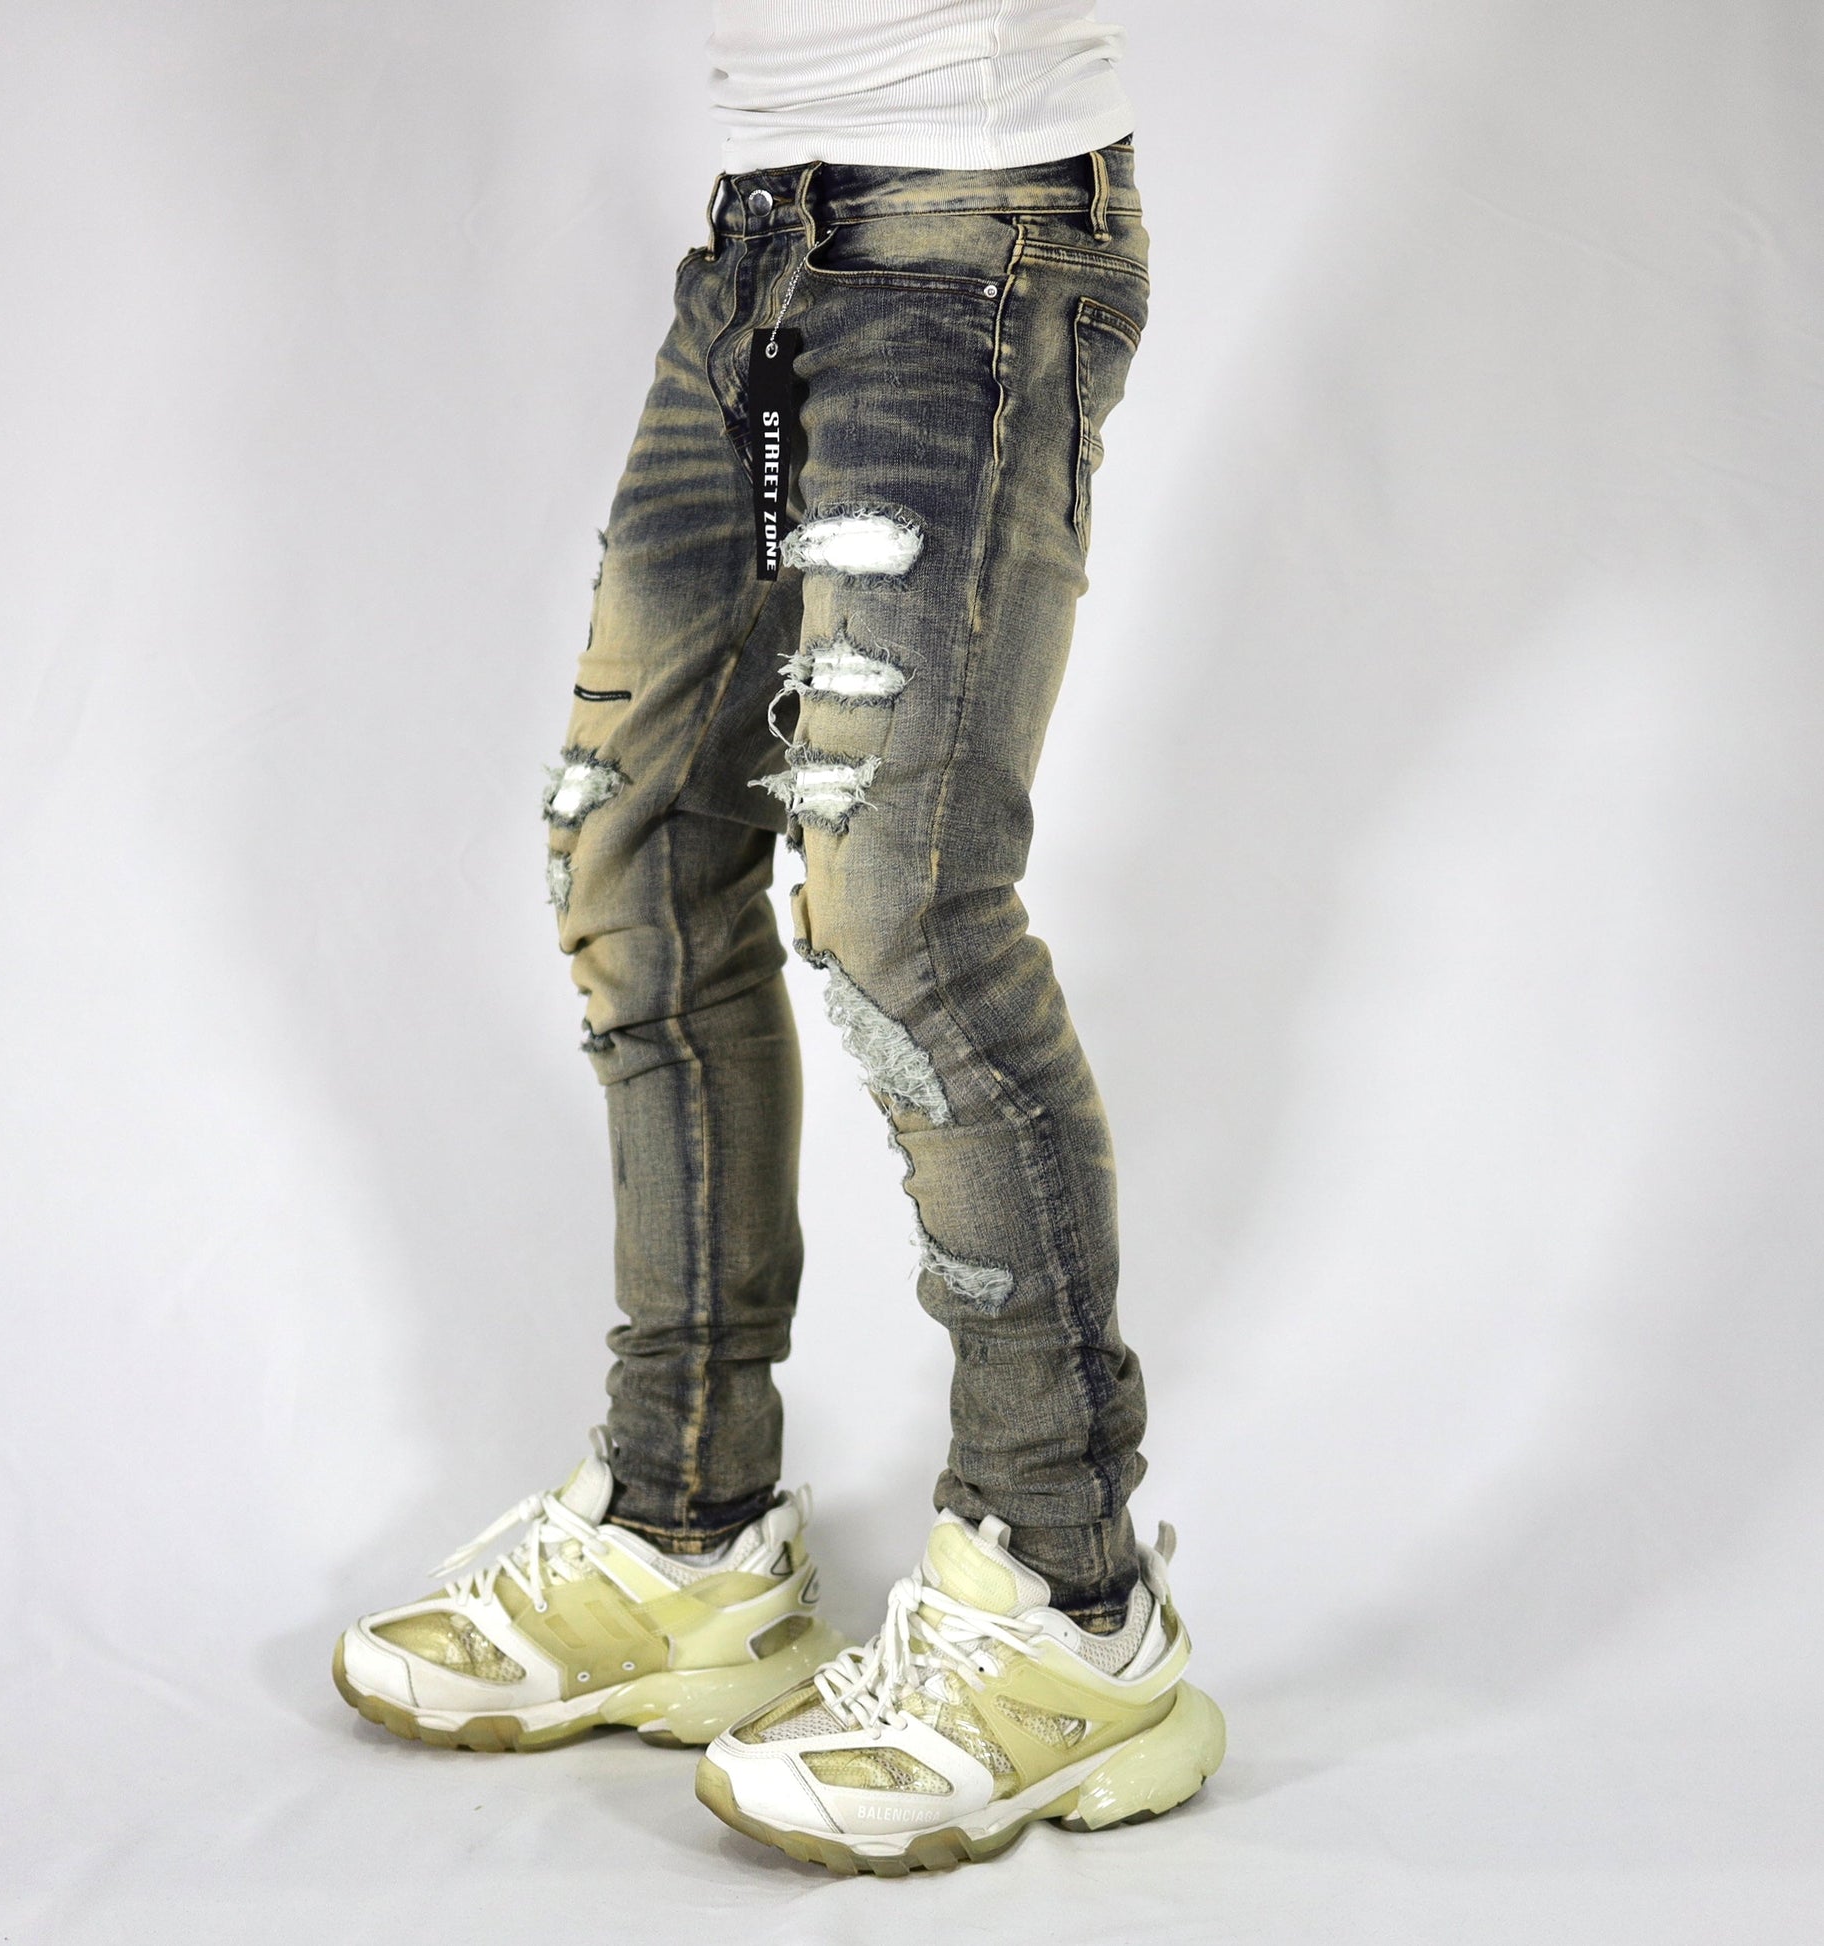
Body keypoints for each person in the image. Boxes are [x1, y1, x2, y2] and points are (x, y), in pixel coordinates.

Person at [331, 0, 1225, 1873]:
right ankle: (685, 1530)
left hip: (975, 232)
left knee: (904, 916)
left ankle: (1070, 1607)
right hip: (761, 235)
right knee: (633, 855)